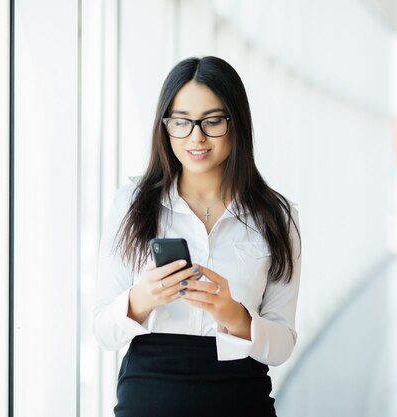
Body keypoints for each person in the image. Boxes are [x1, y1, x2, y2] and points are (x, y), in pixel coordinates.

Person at [92, 56, 302, 416]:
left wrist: (235, 316)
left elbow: (282, 346)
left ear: (236, 122)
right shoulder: (131, 205)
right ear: (166, 126)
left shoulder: (277, 217)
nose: (196, 136)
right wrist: (140, 299)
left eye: (212, 121)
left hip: (240, 399)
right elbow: (102, 332)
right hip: (148, 398)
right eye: (181, 122)